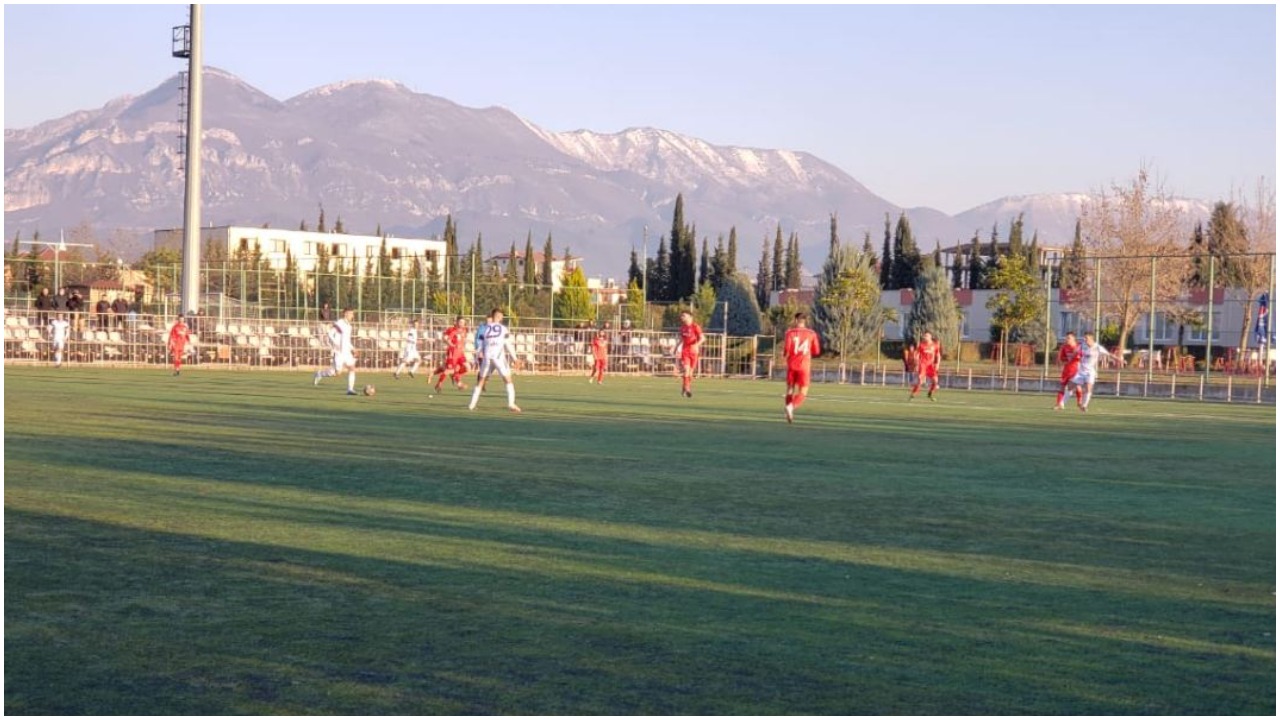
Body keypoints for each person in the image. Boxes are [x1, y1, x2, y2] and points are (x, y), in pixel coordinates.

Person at [468, 308, 521, 413]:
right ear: (499, 316)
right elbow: (508, 344)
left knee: (481, 380)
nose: (502, 317)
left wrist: (475, 359)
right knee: (508, 380)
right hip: (498, 357)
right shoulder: (503, 328)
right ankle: (511, 403)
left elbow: (480, 346)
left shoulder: (486, 329)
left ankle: (471, 405)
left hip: (487, 357)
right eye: (501, 315)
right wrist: (515, 358)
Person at [1062, 331, 1118, 413]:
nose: (1085, 339)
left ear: (1091, 339)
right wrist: (1071, 358)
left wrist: (1119, 359)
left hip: (1090, 371)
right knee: (1070, 386)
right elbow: (1075, 352)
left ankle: (1084, 406)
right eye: (1084, 338)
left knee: (1088, 388)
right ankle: (1062, 404)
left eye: (1086, 338)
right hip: (1081, 371)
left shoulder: (1097, 347)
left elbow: (1109, 354)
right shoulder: (1082, 346)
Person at [782, 312, 821, 423]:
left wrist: (785, 356)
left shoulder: (790, 333)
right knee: (803, 391)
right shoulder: (811, 333)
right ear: (805, 321)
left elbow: (787, 349)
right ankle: (791, 407)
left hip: (792, 365)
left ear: (795, 321)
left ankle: (789, 411)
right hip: (804, 365)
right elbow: (816, 351)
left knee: (790, 389)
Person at [313, 307, 360, 395]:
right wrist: (336, 344)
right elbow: (330, 333)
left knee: (352, 368)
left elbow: (347, 340)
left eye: (353, 314)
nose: (353, 316)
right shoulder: (340, 323)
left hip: (346, 352)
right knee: (336, 373)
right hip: (339, 352)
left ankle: (350, 390)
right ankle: (319, 374)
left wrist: (353, 348)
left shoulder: (349, 326)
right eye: (351, 313)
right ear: (346, 314)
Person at [431, 316, 471, 395]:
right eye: (460, 322)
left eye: (463, 322)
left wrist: (463, 345)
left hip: (460, 353)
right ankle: (439, 384)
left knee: (468, 367)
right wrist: (452, 345)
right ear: (457, 322)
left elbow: (463, 340)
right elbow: (446, 339)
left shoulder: (464, 330)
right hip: (453, 353)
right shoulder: (453, 330)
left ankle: (455, 377)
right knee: (449, 370)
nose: (462, 324)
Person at [908, 331, 942, 401]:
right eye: (924, 336)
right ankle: (913, 394)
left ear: (930, 337)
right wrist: (916, 363)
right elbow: (916, 354)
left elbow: (938, 355)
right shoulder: (921, 345)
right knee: (920, 381)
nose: (925, 337)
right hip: (923, 365)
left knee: (935, 381)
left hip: (930, 365)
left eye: (926, 336)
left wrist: (938, 364)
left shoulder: (935, 345)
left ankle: (930, 394)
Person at [677, 310, 704, 398]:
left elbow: (703, 338)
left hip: (694, 353)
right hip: (685, 351)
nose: (682, 317)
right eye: (682, 316)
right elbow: (681, 339)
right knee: (686, 370)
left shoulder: (695, 327)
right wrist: (675, 348)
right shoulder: (682, 328)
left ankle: (684, 388)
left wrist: (696, 345)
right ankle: (687, 389)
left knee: (690, 373)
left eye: (684, 316)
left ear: (690, 317)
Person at [1054, 332, 1083, 410]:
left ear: (1074, 339)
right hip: (1066, 370)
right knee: (1062, 387)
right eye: (1066, 338)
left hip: (1076, 370)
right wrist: (1062, 362)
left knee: (1077, 387)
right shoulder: (1064, 347)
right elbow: (1061, 358)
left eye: (1069, 338)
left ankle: (1079, 402)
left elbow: (1084, 358)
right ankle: (1058, 404)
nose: (1067, 340)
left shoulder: (1079, 347)